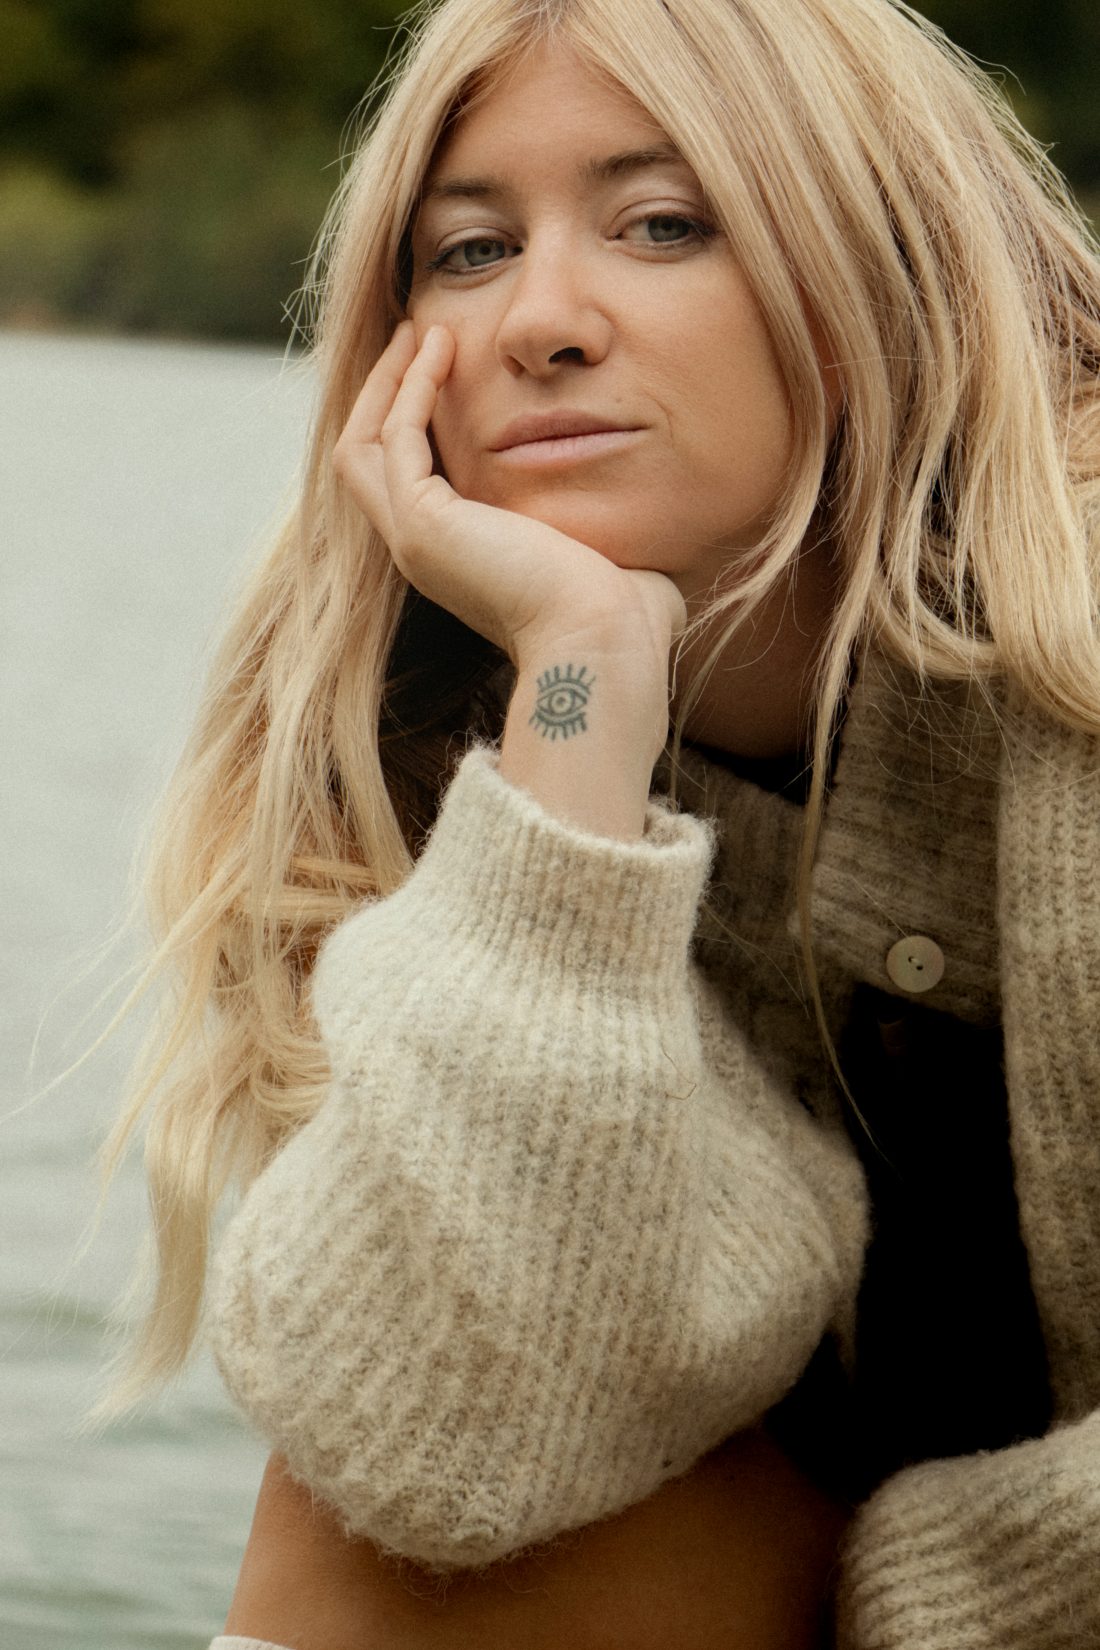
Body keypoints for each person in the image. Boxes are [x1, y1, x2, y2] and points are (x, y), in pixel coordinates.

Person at [97, 0, 1100, 1645]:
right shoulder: (426, 761)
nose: (540, 321)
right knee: (391, 1473)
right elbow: (436, 1428)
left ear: (877, 265)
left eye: (664, 224)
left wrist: (917, 1610)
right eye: (471, 251)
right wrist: (579, 701)